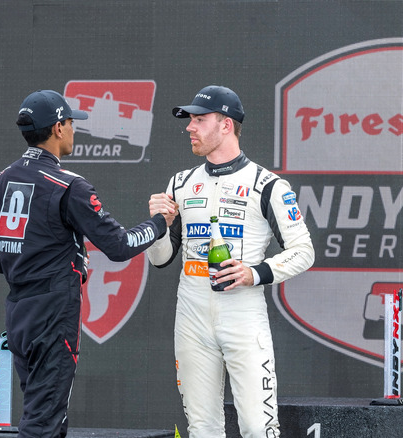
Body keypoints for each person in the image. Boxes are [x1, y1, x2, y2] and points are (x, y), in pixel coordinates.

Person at [0, 89, 177, 438]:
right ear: (57, 128)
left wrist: (32, 262)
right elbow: (120, 246)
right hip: (54, 311)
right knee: (43, 421)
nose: (74, 129)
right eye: (70, 122)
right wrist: (159, 224)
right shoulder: (69, 185)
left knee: (46, 411)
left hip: (19, 311)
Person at [146, 85, 315, 437]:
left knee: (258, 427)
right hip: (191, 314)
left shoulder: (268, 185)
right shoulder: (180, 182)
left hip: (243, 315)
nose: (190, 128)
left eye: (199, 120)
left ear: (226, 125)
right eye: (190, 121)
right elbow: (161, 259)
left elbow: (304, 251)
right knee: (202, 428)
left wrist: (253, 273)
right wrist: (159, 226)